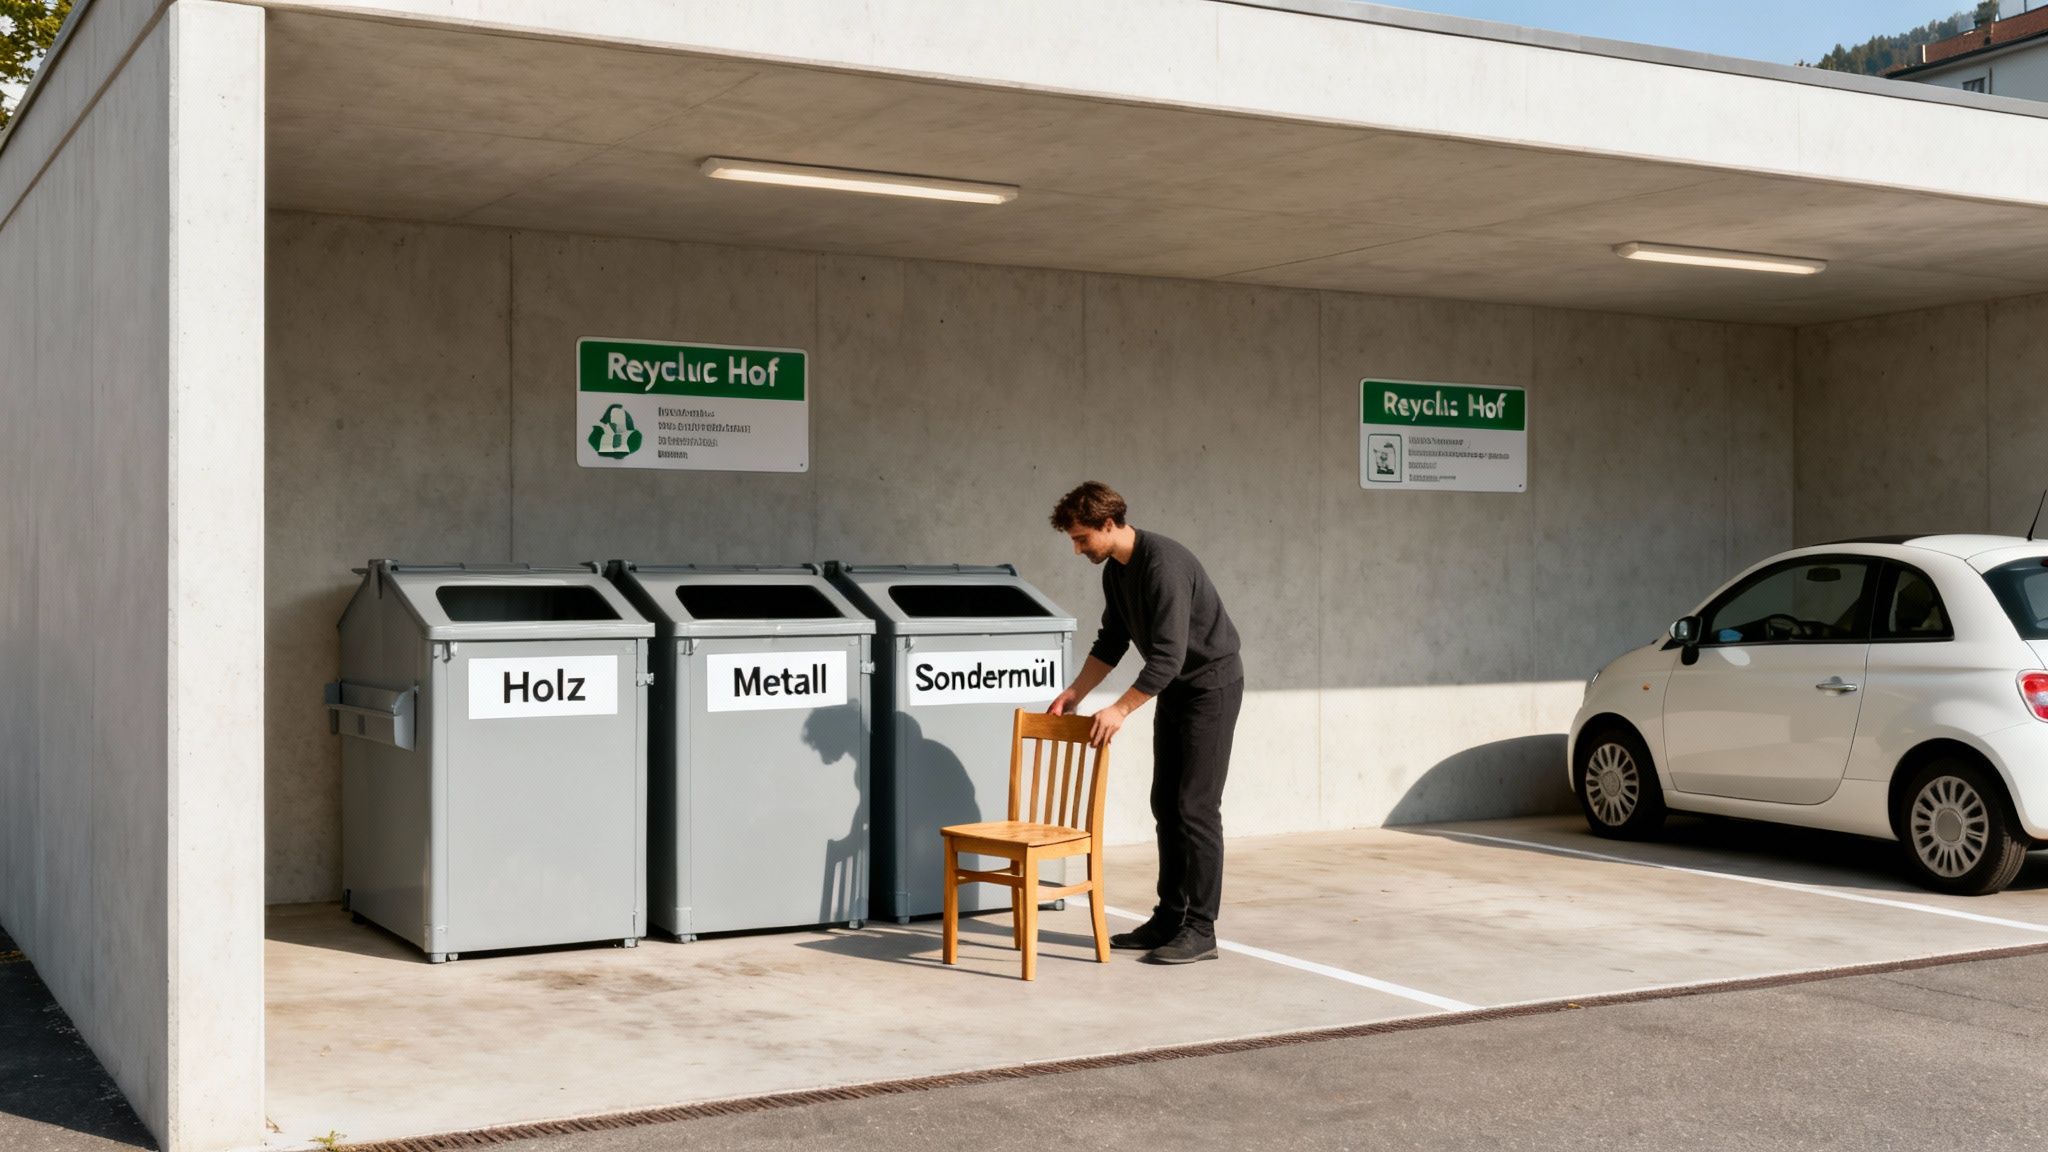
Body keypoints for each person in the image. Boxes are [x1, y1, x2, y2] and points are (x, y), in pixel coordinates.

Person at [1046, 481, 1243, 965]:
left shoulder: (1164, 565)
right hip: (1175, 689)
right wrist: (1076, 693)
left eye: (1081, 538)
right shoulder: (1116, 570)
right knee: (1165, 804)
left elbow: (1169, 657)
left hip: (1210, 687)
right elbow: (1112, 641)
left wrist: (1119, 709)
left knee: (1195, 807)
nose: (1077, 549)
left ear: (1108, 524)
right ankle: (1169, 916)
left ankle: (1201, 929)